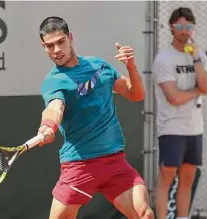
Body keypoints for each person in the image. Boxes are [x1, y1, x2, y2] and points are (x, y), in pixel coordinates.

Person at [36, 16, 154, 219]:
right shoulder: (53, 81)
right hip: (80, 165)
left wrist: (131, 67)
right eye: (50, 46)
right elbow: (55, 108)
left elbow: (136, 94)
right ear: (44, 47)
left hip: (114, 162)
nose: (56, 50)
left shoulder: (99, 66)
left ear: (70, 37)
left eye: (60, 42)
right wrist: (47, 126)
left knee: (144, 214)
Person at [152, 7, 207, 219]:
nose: (184, 31)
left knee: (187, 178)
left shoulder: (199, 55)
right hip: (171, 127)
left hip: (195, 128)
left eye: (189, 27)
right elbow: (174, 98)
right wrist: (197, 90)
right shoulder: (164, 59)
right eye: (180, 26)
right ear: (171, 27)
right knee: (167, 176)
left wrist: (196, 59)